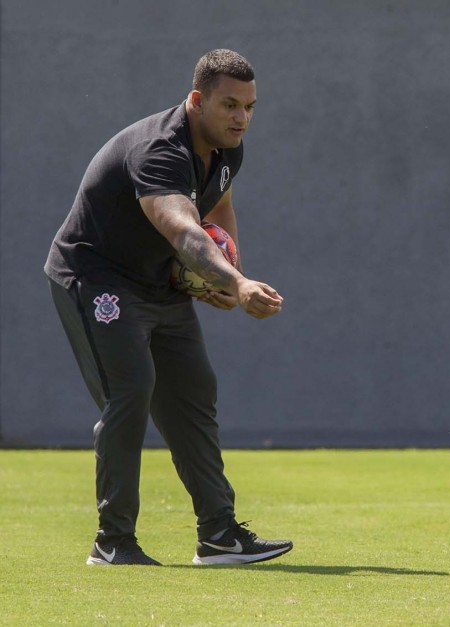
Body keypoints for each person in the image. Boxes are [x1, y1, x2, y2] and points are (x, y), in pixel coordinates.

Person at [45, 49, 293, 566]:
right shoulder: (160, 149)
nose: (241, 118)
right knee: (130, 393)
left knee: (193, 395)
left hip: (159, 283)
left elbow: (215, 206)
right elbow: (183, 229)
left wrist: (227, 272)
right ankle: (113, 543)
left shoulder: (227, 149)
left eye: (250, 107)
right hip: (96, 278)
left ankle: (219, 536)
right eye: (229, 105)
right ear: (197, 99)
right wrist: (238, 282)